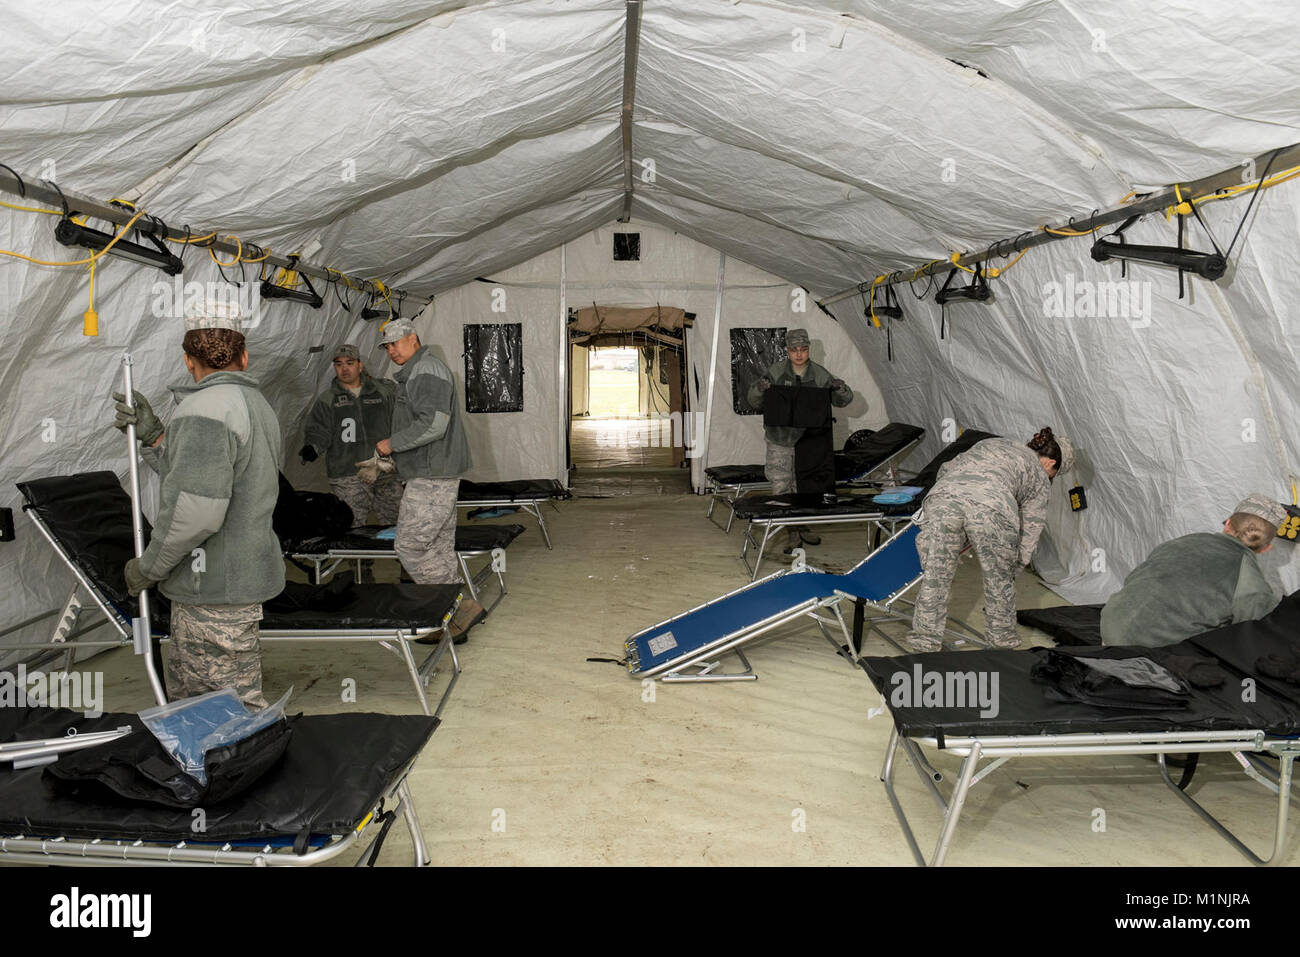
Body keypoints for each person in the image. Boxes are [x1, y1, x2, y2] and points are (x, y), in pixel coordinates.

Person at [111, 300, 284, 709]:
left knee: (215, 709)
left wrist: (150, 566)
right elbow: (203, 478)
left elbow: (197, 513)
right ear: (244, 355)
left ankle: (234, 768)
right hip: (241, 573)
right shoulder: (257, 406)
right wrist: (155, 437)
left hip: (212, 585)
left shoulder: (203, 409)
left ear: (189, 361)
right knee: (234, 700)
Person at [905, 427, 1073, 652]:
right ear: (1051, 463)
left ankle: (924, 642)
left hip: (943, 498)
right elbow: (1030, 532)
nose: (1052, 479)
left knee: (936, 575)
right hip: (992, 507)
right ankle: (1002, 644)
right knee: (998, 583)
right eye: (1055, 475)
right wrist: (1011, 568)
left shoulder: (991, 443)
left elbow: (946, 467)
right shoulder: (1040, 478)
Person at [374, 319, 484, 640]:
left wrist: (390, 444)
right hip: (433, 472)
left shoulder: (426, 371)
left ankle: (460, 607)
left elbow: (434, 425)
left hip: (432, 475)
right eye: (387, 346)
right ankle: (448, 619)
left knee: (409, 546)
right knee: (437, 549)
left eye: (396, 343)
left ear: (413, 339)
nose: (391, 351)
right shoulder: (419, 370)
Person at [1100, 494, 1284, 648]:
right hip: (1154, 649)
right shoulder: (1251, 578)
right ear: (1267, 548)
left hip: (1110, 627)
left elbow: (1135, 578)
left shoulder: (1185, 540)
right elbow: (1255, 630)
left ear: (1227, 524)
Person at [745, 328, 854, 553]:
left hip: (809, 441)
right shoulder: (776, 372)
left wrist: (840, 388)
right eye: (794, 349)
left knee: (806, 485)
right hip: (780, 439)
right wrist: (759, 389)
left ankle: (802, 524)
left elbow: (844, 400)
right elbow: (753, 401)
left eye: (803, 349)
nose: (799, 354)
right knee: (781, 485)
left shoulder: (820, 374)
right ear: (787, 350)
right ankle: (791, 532)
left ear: (808, 349)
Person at [300, 344, 403, 529]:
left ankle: (402, 557)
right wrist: (313, 447)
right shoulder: (328, 399)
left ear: (360, 365)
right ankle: (358, 559)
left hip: (383, 468)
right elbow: (319, 429)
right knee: (353, 525)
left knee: (398, 523)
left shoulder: (383, 392)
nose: (344, 368)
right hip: (348, 472)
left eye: (350, 363)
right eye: (339, 364)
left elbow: (401, 418)